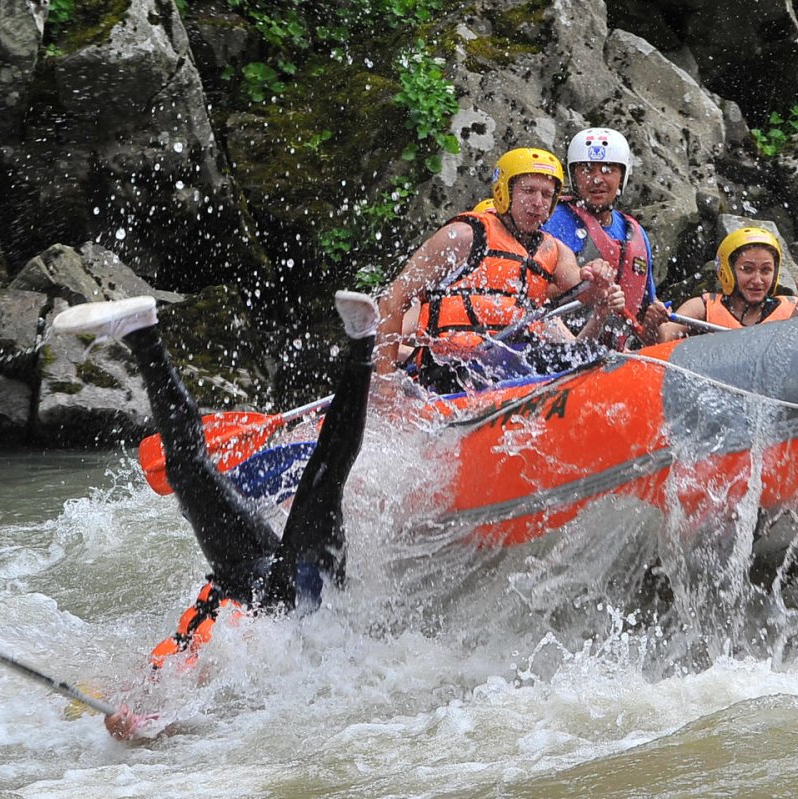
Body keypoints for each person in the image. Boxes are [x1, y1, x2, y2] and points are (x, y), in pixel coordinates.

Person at [51, 290, 380, 739]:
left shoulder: (183, 674)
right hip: (282, 588)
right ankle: (143, 334)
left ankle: (361, 341)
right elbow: (204, 720)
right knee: (295, 479)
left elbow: (196, 712)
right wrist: (121, 720)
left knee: (221, 473)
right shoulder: (167, 671)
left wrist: (146, 723)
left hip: (294, 596)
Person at [375, 147, 623, 394]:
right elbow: (392, 301)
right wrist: (386, 384)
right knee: (512, 360)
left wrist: (600, 280)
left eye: (547, 195)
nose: (538, 202)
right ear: (504, 192)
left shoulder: (555, 252)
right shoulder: (464, 235)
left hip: (517, 360)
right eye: (528, 191)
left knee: (592, 356)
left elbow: (586, 293)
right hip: (452, 365)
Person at [542, 127, 665, 347]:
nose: (597, 179)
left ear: (622, 177)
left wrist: (654, 324)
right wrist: (584, 287)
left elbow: (647, 335)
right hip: (558, 349)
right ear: (574, 176)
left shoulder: (634, 232)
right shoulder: (553, 220)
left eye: (607, 170)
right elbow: (531, 295)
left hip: (617, 355)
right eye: (587, 170)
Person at [657, 227, 798, 342]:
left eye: (765, 270)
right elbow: (662, 339)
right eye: (747, 270)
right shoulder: (701, 308)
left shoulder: (793, 307)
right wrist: (655, 322)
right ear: (728, 271)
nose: (757, 280)